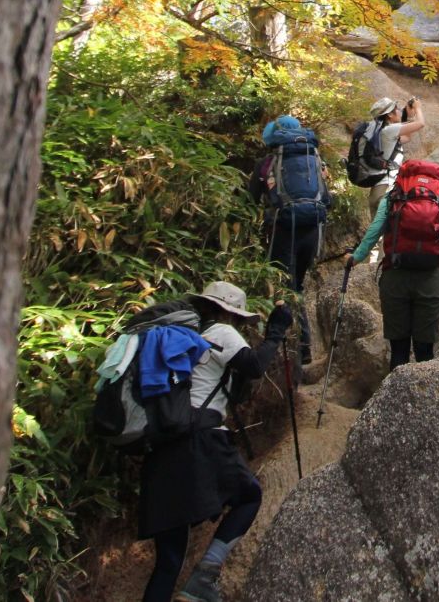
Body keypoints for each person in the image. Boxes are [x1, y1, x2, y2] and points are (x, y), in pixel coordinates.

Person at [137, 282, 292, 602]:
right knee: (249, 495)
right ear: (228, 312)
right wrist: (276, 332)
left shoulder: (186, 337)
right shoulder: (221, 331)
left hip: (164, 444)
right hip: (201, 438)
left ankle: (195, 583)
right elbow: (253, 366)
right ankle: (206, 575)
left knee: (168, 562)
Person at [347, 159, 439, 370]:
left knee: (399, 350)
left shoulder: (394, 197)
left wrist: (356, 257)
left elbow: (375, 231)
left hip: (395, 276)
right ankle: (425, 398)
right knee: (425, 351)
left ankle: (396, 397)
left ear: (402, 177)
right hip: (431, 278)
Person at [251, 115, 331, 364]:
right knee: (298, 287)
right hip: (312, 230)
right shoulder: (316, 159)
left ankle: (293, 351)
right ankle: (304, 349)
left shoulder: (267, 163)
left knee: (285, 288)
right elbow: (327, 198)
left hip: (284, 229)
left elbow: (251, 198)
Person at [365, 95, 427, 210]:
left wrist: (408, 115)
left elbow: (407, 138)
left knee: (381, 227)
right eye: (397, 109)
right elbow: (421, 124)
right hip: (384, 190)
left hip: (379, 189)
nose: (399, 111)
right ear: (389, 114)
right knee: (382, 227)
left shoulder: (382, 132)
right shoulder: (389, 130)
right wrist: (418, 107)